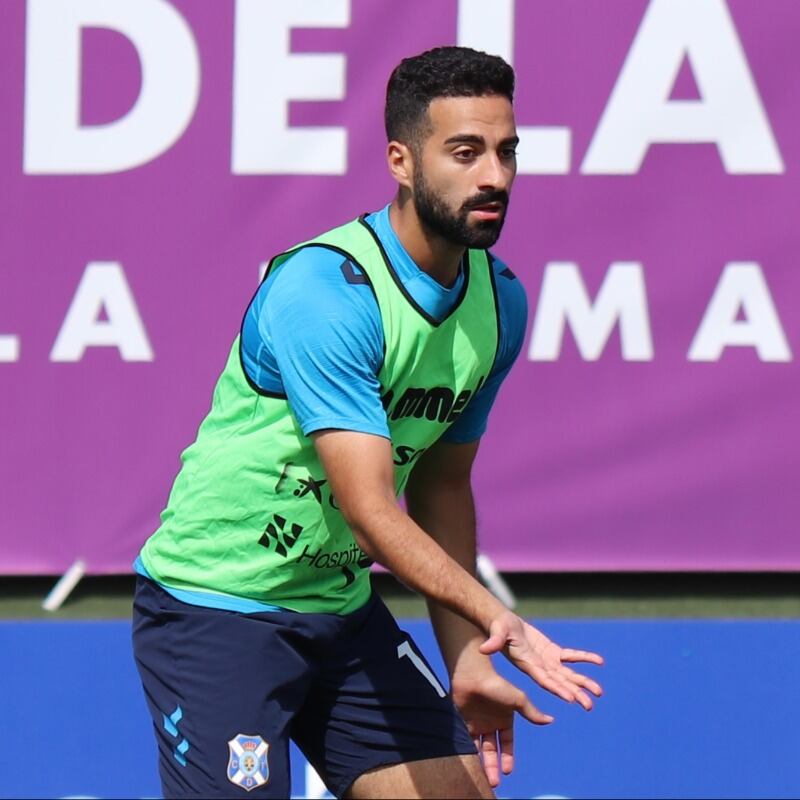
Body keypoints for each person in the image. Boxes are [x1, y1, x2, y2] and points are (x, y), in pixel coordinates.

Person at [132, 45, 603, 799]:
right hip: (217, 609)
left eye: (506, 151)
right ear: (402, 161)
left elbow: (444, 490)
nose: (495, 177)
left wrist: (468, 655)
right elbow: (371, 509)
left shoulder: (499, 302)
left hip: (342, 613)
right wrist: (499, 617)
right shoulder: (328, 291)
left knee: (459, 791)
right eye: (465, 152)